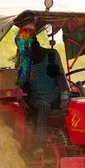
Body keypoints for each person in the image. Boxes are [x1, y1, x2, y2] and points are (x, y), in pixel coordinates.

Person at [13, 24, 70, 159]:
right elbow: (17, 85)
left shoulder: (51, 55)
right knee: (44, 106)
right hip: (37, 98)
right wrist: (21, 97)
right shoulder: (23, 63)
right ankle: (40, 146)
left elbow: (61, 77)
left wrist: (64, 97)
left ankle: (67, 140)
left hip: (55, 96)